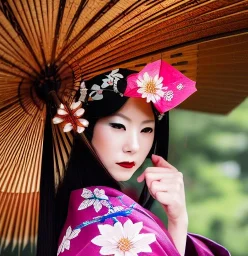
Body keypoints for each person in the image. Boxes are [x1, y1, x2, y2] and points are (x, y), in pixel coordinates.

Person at [51, 60, 230, 255]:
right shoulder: (113, 225)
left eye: (146, 129)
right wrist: (178, 222)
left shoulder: (78, 213)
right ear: (86, 127)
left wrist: (177, 221)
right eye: (118, 126)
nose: (134, 146)